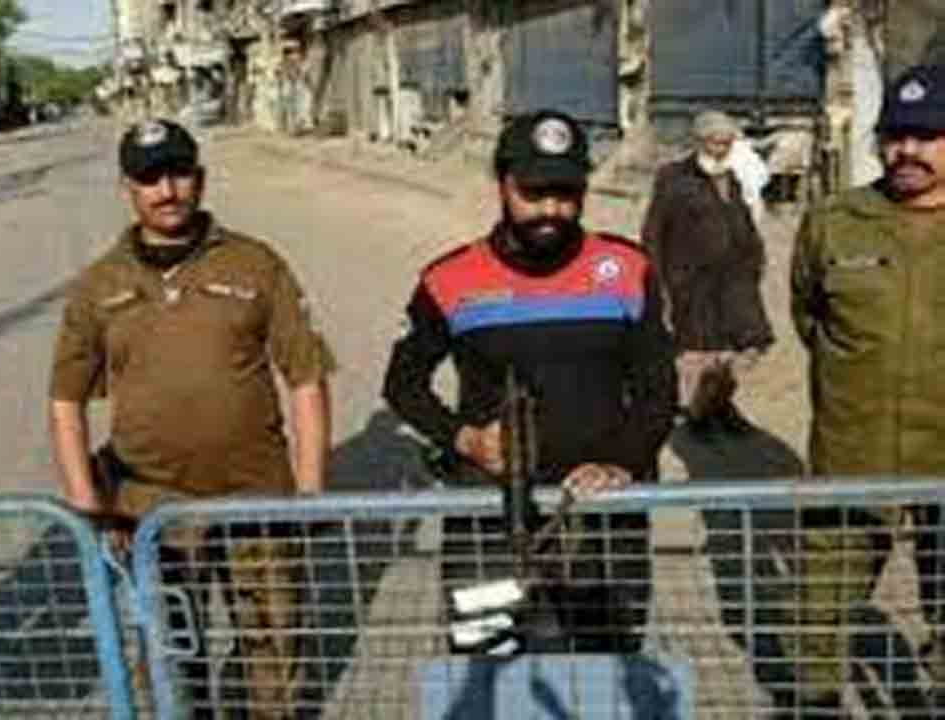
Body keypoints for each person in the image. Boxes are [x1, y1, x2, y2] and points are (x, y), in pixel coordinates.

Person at [48, 118, 334, 719]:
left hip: (257, 500)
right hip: (149, 507)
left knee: (275, 655)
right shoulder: (98, 285)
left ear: (199, 179)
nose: (167, 190)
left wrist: (309, 492)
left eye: (178, 174)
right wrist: (87, 508)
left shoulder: (257, 264)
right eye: (150, 178)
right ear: (128, 188)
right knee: (170, 662)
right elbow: (65, 400)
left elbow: (306, 377)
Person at [382, 109, 676, 654]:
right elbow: (403, 386)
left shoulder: (627, 268)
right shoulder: (450, 279)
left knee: (603, 677)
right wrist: (464, 439)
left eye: (566, 193)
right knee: (486, 667)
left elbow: (658, 388)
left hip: (600, 523)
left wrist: (622, 462)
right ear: (502, 184)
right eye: (534, 192)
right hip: (485, 523)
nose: (551, 209)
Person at [790, 63, 945, 716]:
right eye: (895, 135)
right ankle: (818, 705)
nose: (906, 150)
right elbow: (810, 318)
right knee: (821, 606)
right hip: (853, 453)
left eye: (927, 136)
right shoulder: (835, 220)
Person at [642, 109, 774, 437]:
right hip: (692, 282)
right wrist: (658, 281)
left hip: (735, 282)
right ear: (700, 141)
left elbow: (742, 221)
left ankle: (721, 406)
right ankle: (699, 413)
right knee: (699, 352)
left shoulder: (732, 177)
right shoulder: (673, 178)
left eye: (727, 143)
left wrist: (756, 257)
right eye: (715, 142)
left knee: (737, 349)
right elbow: (654, 232)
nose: (721, 149)